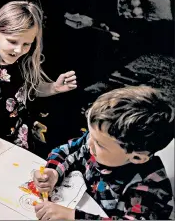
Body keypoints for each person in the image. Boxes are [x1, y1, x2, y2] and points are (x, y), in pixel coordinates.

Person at [33, 86, 174, 220]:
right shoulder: (96, 143)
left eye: (99, 144)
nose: (89, 144)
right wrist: (53, 172)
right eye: (90, 135)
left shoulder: (150, 188)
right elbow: (68, 151)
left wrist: (73, 217)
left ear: (137, 157)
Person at [0, 1, 77, 151]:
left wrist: (53, 88)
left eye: (27, 44)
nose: (18, 50)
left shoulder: (25, 61)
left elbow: (32, 89)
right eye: (12, 41)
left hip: (16, 138)